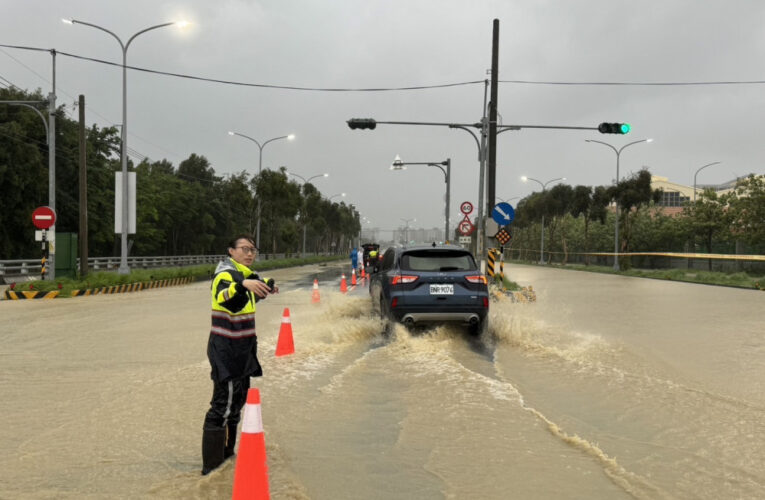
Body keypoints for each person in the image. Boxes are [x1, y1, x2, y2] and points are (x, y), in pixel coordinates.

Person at [201, 234, 278, 475]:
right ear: (231, 251)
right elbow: (224, 291)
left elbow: (250, 289)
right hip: (226, 349)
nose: (250, 254)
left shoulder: (246, 275)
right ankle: (211, 469)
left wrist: (266, 286)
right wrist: (242, 285)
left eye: (253, 250)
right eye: (244, 249)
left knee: (237, 402)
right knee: (223, 405)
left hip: (243, 348)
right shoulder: (225, 273)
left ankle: (227, 456)